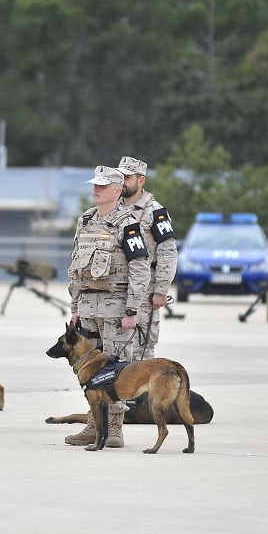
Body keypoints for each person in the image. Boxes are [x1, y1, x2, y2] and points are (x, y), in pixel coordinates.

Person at [64, 165, 151, 448]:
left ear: (116, 190)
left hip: (116, 310)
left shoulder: (129, 223)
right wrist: (75, 304)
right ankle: (93, 424)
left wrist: (132, 309)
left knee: (116, 371)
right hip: (88, 309)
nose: (95, 189)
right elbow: (76, 265)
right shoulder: (86, 221)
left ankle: (114, 429)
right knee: (89, 370)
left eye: (102, 185)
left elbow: (140, 267)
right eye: (94, 185)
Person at [117, 156, 177, 358]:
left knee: (142, 346)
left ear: (140, 180)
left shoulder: (155, 211)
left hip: (144, 289)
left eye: (127, 177)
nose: (122, 182)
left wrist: (161, 290)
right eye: (120, 177)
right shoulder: (113, 207)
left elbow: (167, 252)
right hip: (116, 287)